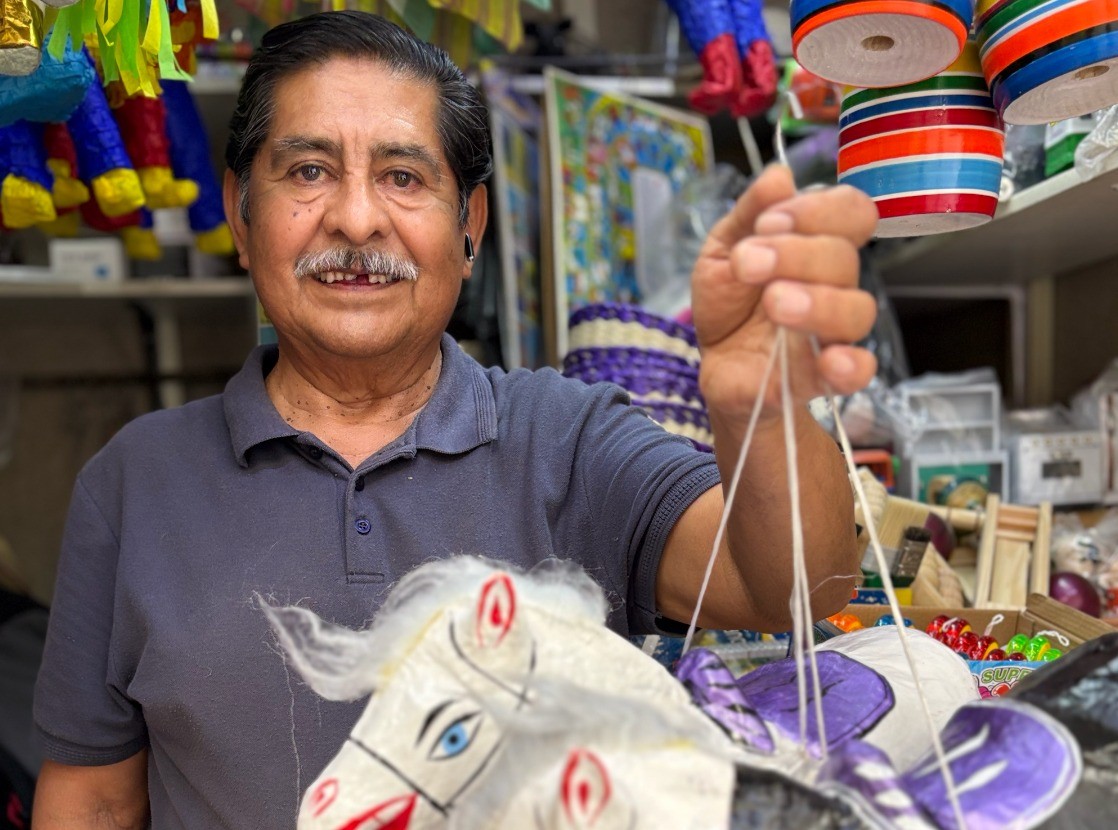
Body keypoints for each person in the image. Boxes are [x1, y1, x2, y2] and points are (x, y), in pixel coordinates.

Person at [31, 10, 878, 829]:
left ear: (468, 226)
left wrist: (759, 406)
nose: (356, 220)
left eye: (403, 177)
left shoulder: (570, 438)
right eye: (308, 172)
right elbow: (95, 803)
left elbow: (802, 588)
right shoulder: (134, 481)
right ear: (241, 216)